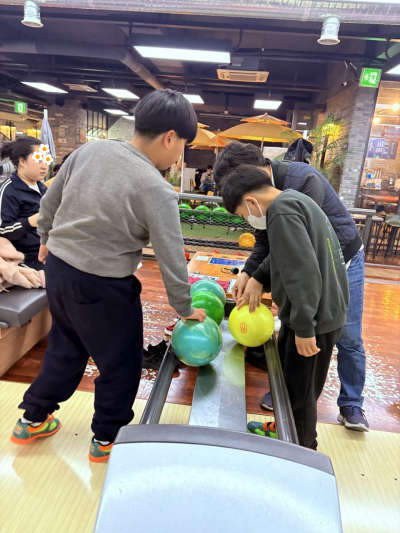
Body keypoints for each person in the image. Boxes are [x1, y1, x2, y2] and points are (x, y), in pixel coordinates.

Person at [10, 89, 206, 462]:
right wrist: (184, 307)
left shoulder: (88, 151)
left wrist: (46, 239)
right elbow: (171, 255)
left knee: (66, 347)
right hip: (104, 285)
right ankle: (107, 438)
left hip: (59, 271)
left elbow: (49, 202)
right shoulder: (156, 188)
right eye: (183, 146)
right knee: (121, 362)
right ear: (170, 137)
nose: (179, 156)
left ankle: (32, 417)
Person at [213, 141, 369, 432]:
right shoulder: (271, 200)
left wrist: (262, 280)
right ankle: (288, 410)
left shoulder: (300, 184)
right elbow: (269, 241)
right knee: (296, 359)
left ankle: (349, 404)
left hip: (342, 260)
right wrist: (249, 272)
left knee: (346, 337)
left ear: (252, 173)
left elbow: (297, 258)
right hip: (311, 287)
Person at [0, 137, 49, 270]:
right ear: (22, 161)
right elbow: (2, 231)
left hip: (48, 252)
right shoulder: (8, 190)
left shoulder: (44, 188)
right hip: (24, 260)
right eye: (39, 159)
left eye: (46, 159)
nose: (44, 166)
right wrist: (29, 222)